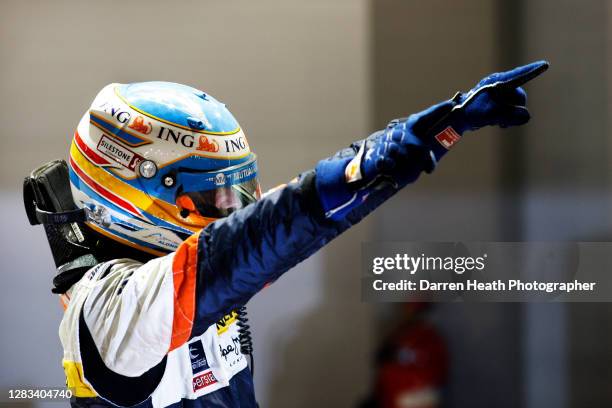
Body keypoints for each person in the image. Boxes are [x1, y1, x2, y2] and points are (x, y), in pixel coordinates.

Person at [26, 61, 547, 407]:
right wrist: (402, 149)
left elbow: (271, 228)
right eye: (214, 197)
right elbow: (266, 234)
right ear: (136, 188)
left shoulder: (179, 279)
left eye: (238, 190)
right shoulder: (108, 309)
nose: (233, 209)